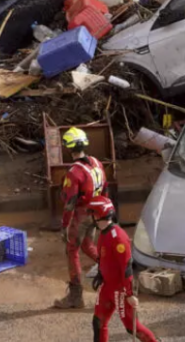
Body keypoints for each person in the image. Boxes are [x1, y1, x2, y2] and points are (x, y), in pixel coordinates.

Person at [87, 196, 159, 342]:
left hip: (120, 290)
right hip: (107, 287)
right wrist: (100, 274)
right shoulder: (104, 233)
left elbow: (126, 267)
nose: (91, 217)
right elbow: (104, 257)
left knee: (131, 327)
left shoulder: (118, 238)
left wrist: (130, 294)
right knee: (98, 323)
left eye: (92, 213)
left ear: (99, 214)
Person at [54, 127, 108, 309]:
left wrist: (64, 225)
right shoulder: (97, 163)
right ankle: (113, 271)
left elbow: (70, 202)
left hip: (82, 214)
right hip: (96, 211)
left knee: (72, 250)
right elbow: (105, 189)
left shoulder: (74, 172)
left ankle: (75, 297)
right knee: (87, 245)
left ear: (68, 148)